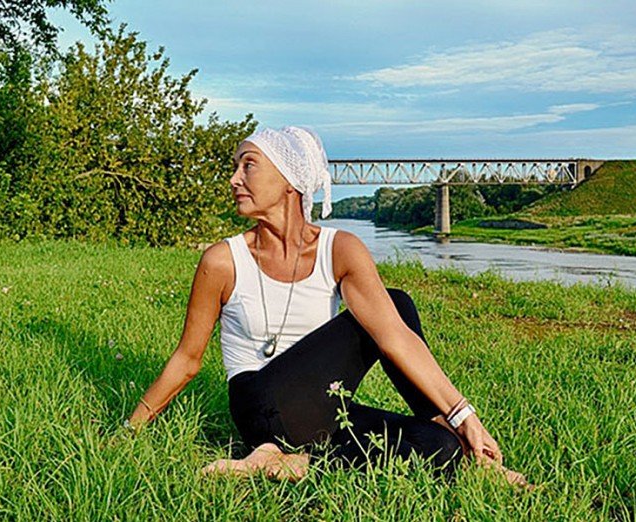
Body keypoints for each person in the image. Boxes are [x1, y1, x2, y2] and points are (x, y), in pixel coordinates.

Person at [124, 126, 529, 486]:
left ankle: (287, 462)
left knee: (438, 445)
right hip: (260, 405)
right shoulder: (222, 260)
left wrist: (463, 417)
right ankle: (270, 450)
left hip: (323, 408)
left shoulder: (339, 250)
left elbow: (397, 339)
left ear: (289, 180)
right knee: (394, 307)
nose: (234, 179)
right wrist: (129, 432)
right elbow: (187, 360)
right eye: (235, 167)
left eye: (248, 166)